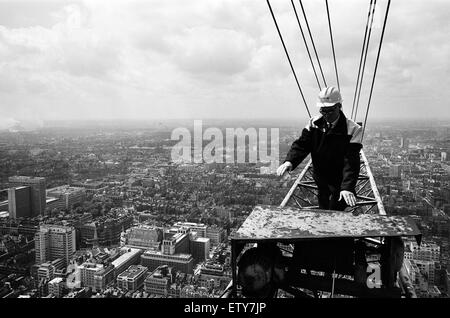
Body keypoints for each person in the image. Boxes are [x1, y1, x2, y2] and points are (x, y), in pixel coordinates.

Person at [277, 86, 363, 211]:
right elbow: (302, 144)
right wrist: (289, 161)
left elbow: (351, 160)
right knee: (324, 207)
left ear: (339, 106)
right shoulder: (314, 123)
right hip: (321, 179)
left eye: (330, 111)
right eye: (323, 111)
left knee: (336, 211)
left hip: (339, 179)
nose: (326, 115)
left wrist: (347, 187)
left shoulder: (353, 129)